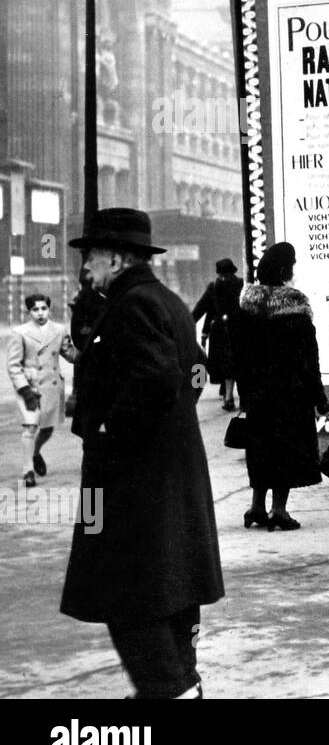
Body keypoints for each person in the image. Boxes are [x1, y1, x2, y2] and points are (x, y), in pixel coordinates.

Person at [60, 208, 223, 698]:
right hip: (167, 475)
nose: (85, 266)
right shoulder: (167, 301)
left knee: (126, 592)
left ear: (116, 257)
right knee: (171, 585)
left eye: (90, 255)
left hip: (131, 484)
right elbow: (193, 374)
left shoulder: (131, 304)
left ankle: (167, 689)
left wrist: (110, 432)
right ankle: (181, 682)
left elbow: (158, 377)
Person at [230, 242, 327, 531]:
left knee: (260, 448)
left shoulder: (246, 305)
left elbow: (238, 354)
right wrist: (319, 396)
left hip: (257, 395)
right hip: (291, 395)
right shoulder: (296, 307)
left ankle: (256, 507)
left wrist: (245, 391)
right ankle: (279, 511)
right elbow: (309, 357)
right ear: (285, 269)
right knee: (285, 450)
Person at [7, 293, 77, 487]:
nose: (40, 313)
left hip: (52, 386)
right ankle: (27, 471)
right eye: (35, 310)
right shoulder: (19, 332)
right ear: (28, 312)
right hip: (31, 387)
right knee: (30, 427)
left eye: (43, 309)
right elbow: (13, 366)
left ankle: (36, 452)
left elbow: (70, 355)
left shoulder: (59, 330)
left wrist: (88, 347)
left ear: (49, 309)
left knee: (47, 429)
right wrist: (25, 390)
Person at [192, 258, 244, 410]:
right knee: (230, 363)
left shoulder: (215, 286)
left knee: (224, 363)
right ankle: (228, 394)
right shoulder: (240, 285)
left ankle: (228, 397)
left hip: (220, 332)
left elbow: (203, 308)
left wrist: (192, 324)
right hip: (235, 330)